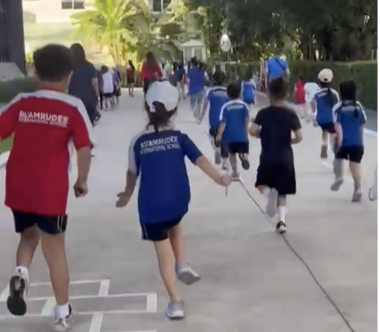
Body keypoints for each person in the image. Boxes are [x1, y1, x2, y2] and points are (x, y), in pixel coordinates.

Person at [115, 80, 231, 319]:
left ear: (146, 108)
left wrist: (127, 194)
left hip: (151, 207)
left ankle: (176, 302)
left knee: (162, 252)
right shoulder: (180, 137)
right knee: (175, 223)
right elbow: (201, 161)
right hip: (178, 200)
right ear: (174, 110)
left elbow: (132, 174)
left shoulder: (138, 142)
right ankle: (183, 263)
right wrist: (220, 178)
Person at [0, 44, 93, 331]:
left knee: (28, 238)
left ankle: (21, 274)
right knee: (55, 251)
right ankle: (62, 312)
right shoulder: (72, 106)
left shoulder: (21, 102)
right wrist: (81, 180)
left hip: (18, 186)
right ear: (69, 75)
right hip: (50, 191)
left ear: (36, 71)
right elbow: (84, 147)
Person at [249, 77, 303, 234]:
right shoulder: (291, 114)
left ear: (269, 94)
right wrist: (289, 141)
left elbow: (252, 131)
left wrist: (262, 134)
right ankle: (282, 222)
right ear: (286, 94)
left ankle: (268, 194)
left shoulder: (263, 113)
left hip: (267, 156)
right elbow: (300, 136)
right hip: (285, 157)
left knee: (260, 184)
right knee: (283, 191)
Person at [330, 80, 367, 202]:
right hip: (357, 141)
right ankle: (358, 188)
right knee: (355, 164)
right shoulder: (358, 106)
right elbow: (362, 125)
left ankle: (339, 177)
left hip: (344, 141)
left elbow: (338, 126)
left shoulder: (338, 107)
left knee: (338, 159)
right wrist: (360, 141)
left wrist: (339, 143)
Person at [216, 82, 250, 180]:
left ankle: (235, 173)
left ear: (227, 94)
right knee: (243, 149)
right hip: (242, 135)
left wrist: (219, 135)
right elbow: (246, 120)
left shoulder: (225, 107)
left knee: (232, 155)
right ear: (240, 93)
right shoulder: (244, 106)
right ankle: (244, 157)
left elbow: (223, 123)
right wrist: (245, 132)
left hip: (230, 137)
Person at [199, 70, 229, 168]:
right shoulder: (227, 92)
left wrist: (201, 116)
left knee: (212, 135)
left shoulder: (211, 91)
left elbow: (205, 104)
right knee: (224, 140)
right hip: (225, 120)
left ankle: (216, 149)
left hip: (213, 119)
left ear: (213, 80)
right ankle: (225, 162)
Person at [68, 43, 99, 126]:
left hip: (73, 100)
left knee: (75, 126)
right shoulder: (89, 66)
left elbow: (66, 82)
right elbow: (95, 83)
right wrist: (97, 96)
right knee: (88, 125)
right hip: (89, 100)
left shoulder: (69, 67)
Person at [311, 68, 340, 159]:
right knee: (333, 134)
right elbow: (338, 107)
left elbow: (313, 104)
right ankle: (335, 150)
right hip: (332, 119)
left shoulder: (317, 94)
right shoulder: (334, 93)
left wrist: (314, 115)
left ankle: (324, 145)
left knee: (324, 131)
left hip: (321, 119)